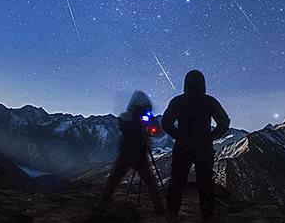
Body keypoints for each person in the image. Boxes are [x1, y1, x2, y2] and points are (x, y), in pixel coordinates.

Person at [162, 70, 230, 222]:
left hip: (182, 146)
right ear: (203, 84)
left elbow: (166, 122)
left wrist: (178, 135)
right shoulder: (209, 101)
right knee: (205, 182)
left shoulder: (177, 101)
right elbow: (224, 122)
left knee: (177, 181)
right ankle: (207, 215)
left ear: (186, 83)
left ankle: (172, 213)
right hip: (203, 147)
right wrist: (211, 137)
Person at [98, 91, 165, 216]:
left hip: (126, 154)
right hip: (139, 155)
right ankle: (159, 210)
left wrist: (148, 126)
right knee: (151, 183)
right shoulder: (131, 117)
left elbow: (125, 127)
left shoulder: (126, 116)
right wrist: (149, 126)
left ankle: (102, 206)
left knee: (113, 181)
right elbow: (157, 133)